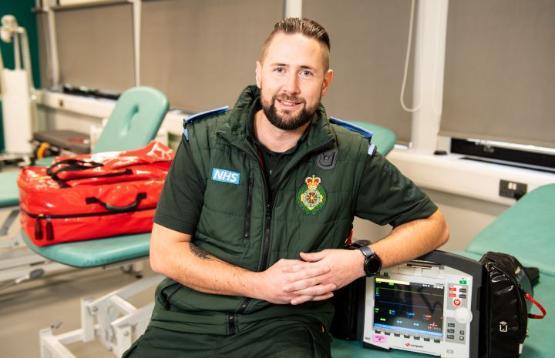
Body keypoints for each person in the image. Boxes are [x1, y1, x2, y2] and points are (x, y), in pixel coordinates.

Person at [125, 17, 448, 358]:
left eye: (306, 72)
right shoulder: (204, 141)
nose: (291, 87)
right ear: (259, 73)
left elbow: (433, 225)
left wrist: (360, 261)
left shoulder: (350, 156)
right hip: (187, 322)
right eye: (280, 69)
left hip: (285, 326)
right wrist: (260, 285)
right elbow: (165, 253)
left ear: (326, 83)